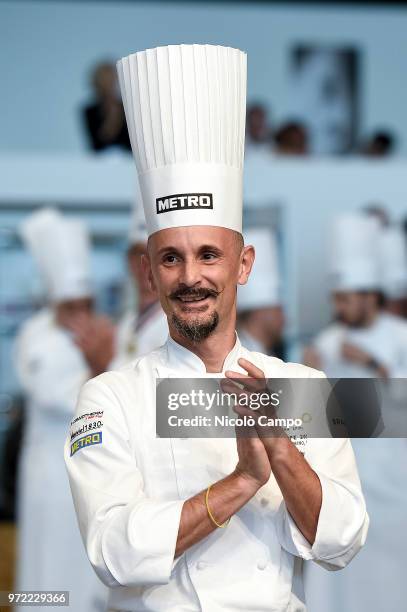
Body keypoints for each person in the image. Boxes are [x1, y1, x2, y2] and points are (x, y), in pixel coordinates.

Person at [66, 44, 368, 612]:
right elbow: (112, 553)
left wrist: (279, 446)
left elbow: (344, 540)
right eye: (171, 258)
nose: (191, 278)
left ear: (243, 265)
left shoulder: (300, 385)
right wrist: (242, 481)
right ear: (149, 273)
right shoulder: (110, 398)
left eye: (209, 255)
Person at [303, 213, 407, 612]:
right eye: (337, 298)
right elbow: (308, 417)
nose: (340, 306)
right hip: (346, 485)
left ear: (370, 295)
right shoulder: (328, 343)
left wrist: (373, 366)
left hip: (395, 490)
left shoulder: (399, 339)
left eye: (348, 298)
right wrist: (308, 374)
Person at [15, 208, 112, 612]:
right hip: (49, 476)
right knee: (47, 565)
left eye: (86, 303)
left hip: (93, 470)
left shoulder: (103, 328)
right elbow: (57, 398)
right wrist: (96, 367)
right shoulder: (36, 336)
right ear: (55, 300)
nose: (80, 313)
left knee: (85, 567)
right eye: (71, 305)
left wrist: (100, 364)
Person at [112, 196, 168, 367]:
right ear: (128, 261)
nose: (145, 263)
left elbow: (180, 393)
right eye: (138, 254)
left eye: (154, 254)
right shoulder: (126, 323)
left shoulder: (178, 323)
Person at [237, 227, 285, 357]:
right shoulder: (243, 358)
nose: (285, 318)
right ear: (260, 313)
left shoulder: (265, 353)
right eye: (278, 310)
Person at [83, 61, 131, 153]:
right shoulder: (90, 111)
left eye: (111, 80)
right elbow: (97, 145)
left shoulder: (127, 107)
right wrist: (113, 117)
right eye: (104, 81)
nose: (108, 85)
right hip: (103, 164)